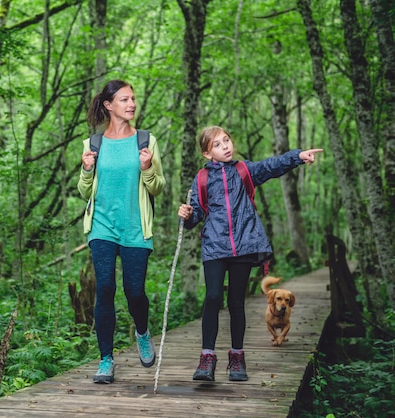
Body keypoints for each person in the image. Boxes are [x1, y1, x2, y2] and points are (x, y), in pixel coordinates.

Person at [177, 125, 322, 382]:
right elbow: (196, 213)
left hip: (244, 245)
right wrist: (187, 216)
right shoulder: (201, 178)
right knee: (212, 297)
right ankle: (207, 358)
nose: (226, 146)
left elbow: (271, 166)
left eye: (227, 140)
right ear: (207, 154)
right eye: (218, 145)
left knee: (235, 301)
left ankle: (237, 357)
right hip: (214, 246)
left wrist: (297, 157)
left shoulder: (244, 170)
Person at [77, 80, 166, 384]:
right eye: (124, 99)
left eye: (133, 99)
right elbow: (83, 191)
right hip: (101, 226)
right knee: (105, 288)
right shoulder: (93, 144)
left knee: (135, 291)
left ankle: (141, 331)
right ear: (108, 105)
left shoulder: (146, 140)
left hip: (135, 229)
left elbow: (158, 187)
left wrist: (148, 168)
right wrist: (87, 169)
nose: (131, 104)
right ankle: (106, 359)